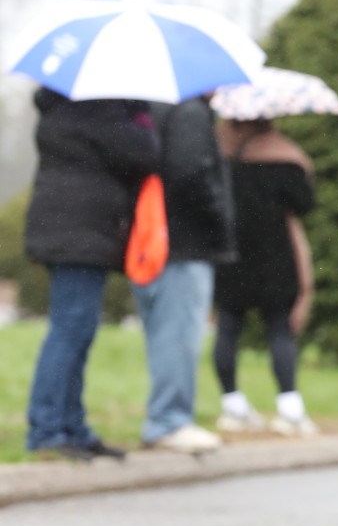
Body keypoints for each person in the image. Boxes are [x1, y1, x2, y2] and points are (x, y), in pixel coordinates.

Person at [24, 90, 159, 460]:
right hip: (79, 233)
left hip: (71, 229)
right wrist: (140, 112)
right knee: (71, 330)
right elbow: (145, 154)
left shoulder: (64, 105)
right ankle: (48, 430)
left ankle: (71, 427)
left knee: (77, 331)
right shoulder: (100, 108)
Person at [131, 96, 235, 453]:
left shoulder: (149, 108)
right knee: (179, 335)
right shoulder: (189, 111)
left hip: (152, 240)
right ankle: (169, 421)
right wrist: (219, 215)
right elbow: (190, 172)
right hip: (185, 243)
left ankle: (166, 418)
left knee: (164, 335)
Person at [213, 117, 317, 435]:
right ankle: (290, 408)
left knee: (227, 328)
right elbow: (306, 204)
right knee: (280, 330)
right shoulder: (285, 158)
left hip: (230, 256)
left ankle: (232, 405)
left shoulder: (221, 156)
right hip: (275, 258)